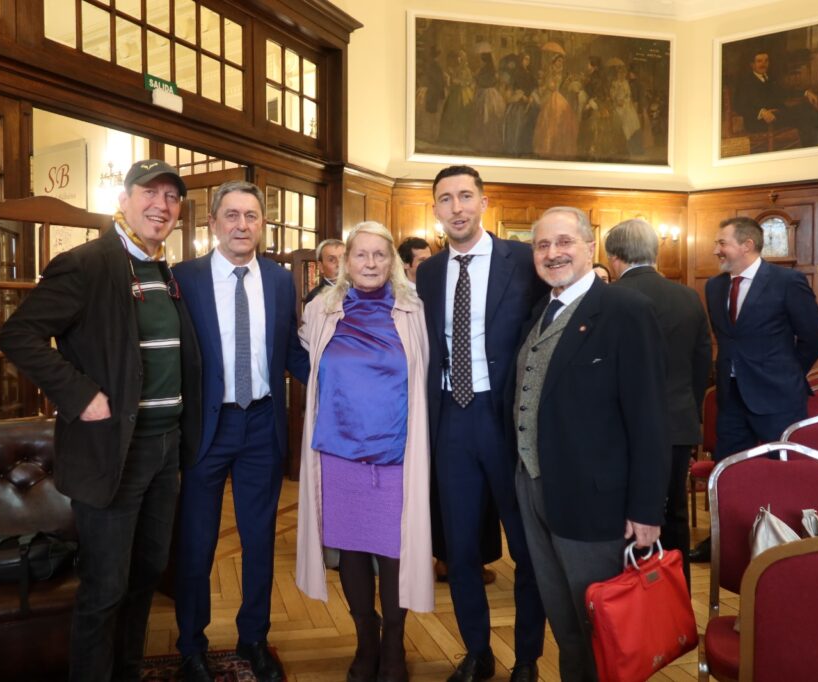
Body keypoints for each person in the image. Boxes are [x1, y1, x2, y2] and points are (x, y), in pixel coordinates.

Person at [0, 159, 201, 682]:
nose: (161, 205)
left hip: (165, 450)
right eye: (149, 193)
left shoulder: (164, 272)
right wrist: (79, 393)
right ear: (124, 199)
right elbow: (17, 335)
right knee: (106, 587)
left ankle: (128, 672)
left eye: (171, 197)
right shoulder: (86, 264)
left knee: (147, 573)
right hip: (113, 452)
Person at [512, 207, 668, 681]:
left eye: (564, 242)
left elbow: (649, 419)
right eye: (542, 245)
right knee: (565, 622)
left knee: (601, 625)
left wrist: (647, 510)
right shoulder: (540, 312)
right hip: (535, 489)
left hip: (596, 502)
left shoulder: (626, 311)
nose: (552, 253)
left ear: (589, 246)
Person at [171, 180, 310, 682]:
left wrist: (339, 383)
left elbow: (290, 350)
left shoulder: (278, 280)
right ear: (213, 223)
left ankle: (253, 638)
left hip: (262, 425)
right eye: (231, 215)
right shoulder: (183, 278)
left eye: (251, 216)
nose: (241, 225)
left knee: (259, 540)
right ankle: (191, 645)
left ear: (262, 225)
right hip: (206, 427)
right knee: (196, 543)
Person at [416, 165, 547, 682]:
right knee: (460, 547)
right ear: (435, 209)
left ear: (483, 203)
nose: (457, 208)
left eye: (465, 196)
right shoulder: (428, 273)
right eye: (446, 199)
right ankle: (477, 651)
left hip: (508, 422)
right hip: (451, 418)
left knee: (526, 547)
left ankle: (528, 658)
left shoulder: (523, 260)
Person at [296, 221, 433, 682]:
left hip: (396, 453)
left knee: (395, 551)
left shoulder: (414, 311)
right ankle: (365, 639)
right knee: (351, 549)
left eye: (380, 254)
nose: (370, 263)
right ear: (345, 262)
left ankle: (393, 641)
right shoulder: (321, 310)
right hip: (338, 452)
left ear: (392, 260)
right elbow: (305, 363)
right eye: (361, 254)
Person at [690, 216, 818, 562]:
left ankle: (782, 547)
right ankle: (724, 544)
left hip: (778, 398)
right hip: (731, 396)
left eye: (722, 243)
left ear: (747, 245)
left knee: (778, 471)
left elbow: (813, 336)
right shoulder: (715, 287)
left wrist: (787, 374)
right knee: (728, 470)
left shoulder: (787, 281)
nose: (716, 250)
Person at [606, 219, 711, 587]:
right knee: (674, 512)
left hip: (621, 428)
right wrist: (686, 409)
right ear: (654, 252)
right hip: (677, 423)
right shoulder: (688, 297)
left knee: (623, 515)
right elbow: (702, 364)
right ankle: (676, 592)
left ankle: (629, 596)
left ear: (613, 257)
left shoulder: (609, 298)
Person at [732, 50, 818, 147]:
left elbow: (785, 92)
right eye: (759, 61)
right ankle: (813, 146)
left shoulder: (769, 78)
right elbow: (738, 105)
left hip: (778, 114)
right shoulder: (745, 82)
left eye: (766, 61)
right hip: (758, 121)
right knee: (804, 116)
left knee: (807, 108)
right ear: (752, 64)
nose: (763, 64)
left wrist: (806, 92)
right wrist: (761, 112)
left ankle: (817, 142)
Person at [305, 238, 345, 303]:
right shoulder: (315, 297)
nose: (339, 264)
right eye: (331, 260)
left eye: (343, 259)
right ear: (321, 267)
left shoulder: (358, 289)